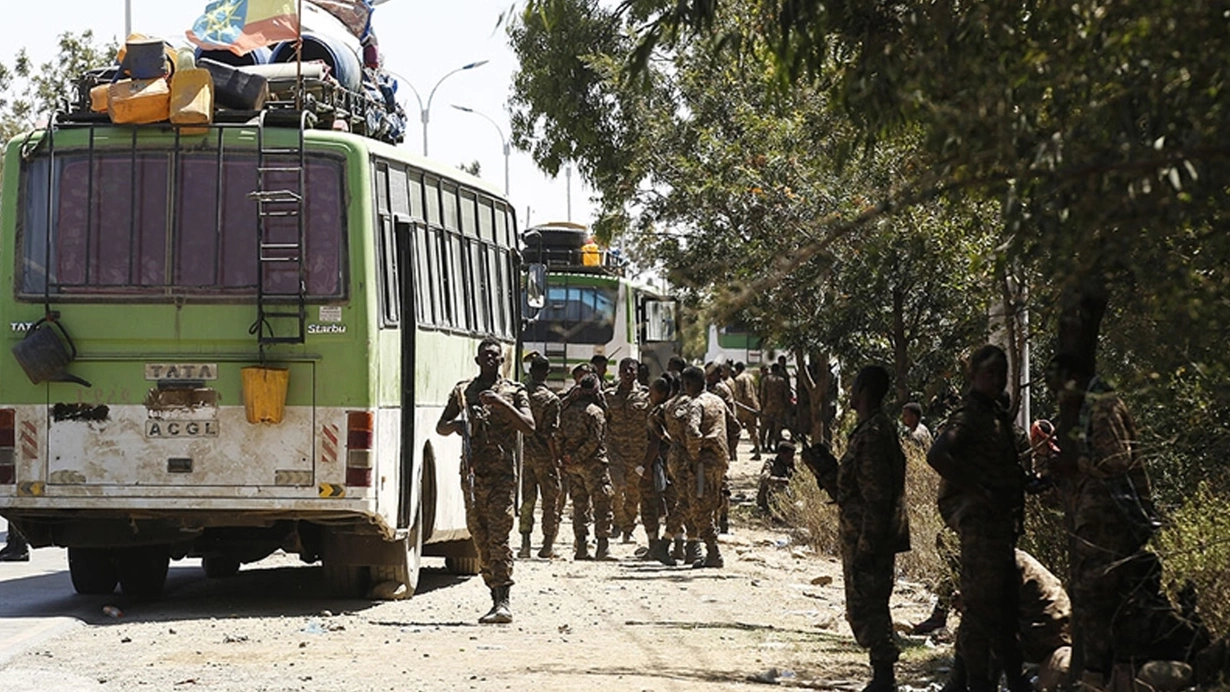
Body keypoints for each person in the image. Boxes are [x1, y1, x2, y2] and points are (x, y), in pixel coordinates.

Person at [1047, 353, 1208, 685]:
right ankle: (1108, 672)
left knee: (1099, 596)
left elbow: (1117, 459)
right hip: (1101, 524)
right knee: (1106, 603)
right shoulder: (1089, 405)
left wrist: (1076, 463)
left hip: (1112, 523)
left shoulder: (1101, 404)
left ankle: (1104, 673)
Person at [927, 345, 1029, 692]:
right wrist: (979, 490)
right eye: (989, 374)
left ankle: (982, 680)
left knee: (1001, 610)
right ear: (973, 377)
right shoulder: (970, 414)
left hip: (999, 526)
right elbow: (939, 454)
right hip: (981, 527)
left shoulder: (994, 413)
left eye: (1002, 374)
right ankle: (976, 682)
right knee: (982, 610)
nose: (997, 380)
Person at [802, 365, 910, 692]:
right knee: (863, 606)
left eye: (853, 386)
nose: (849, 391)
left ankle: (884, 678)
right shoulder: (867, 431)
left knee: (870, 606)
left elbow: (877, 497)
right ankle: (881, 675)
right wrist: (824, 469)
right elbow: (850, 490)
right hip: (861, 534)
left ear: (863, 390)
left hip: (869, 537)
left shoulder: (875, 434)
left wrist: (867, 545)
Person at [436, 337, 535, 624]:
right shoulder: (464, 391)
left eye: (495, 355)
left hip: (503, 476)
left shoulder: (514, 391)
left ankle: (504, 601)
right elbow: (441, 426)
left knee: (499, 537)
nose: (491, 359)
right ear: (478, 360)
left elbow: (529, 427)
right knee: (480, 538)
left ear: (502, 361)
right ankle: (493, 595)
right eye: (485, 355)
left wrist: (502, 406)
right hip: (472, 476)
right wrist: (458, 425)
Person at [680, 366, 737, 568]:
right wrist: (726, 450)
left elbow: (693, 432)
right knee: (712, 504)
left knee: (699, 508)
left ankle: (713, 552)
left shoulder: (695, 404)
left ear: (688, 384)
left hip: (703, 464)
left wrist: (694, 457)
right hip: (720, 462)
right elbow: (735, 427)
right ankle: (711, 550)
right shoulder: (717, 400)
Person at [558, 374, 616, 561]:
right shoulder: (595, 412)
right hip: (594, 466)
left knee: (579, 505)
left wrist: (567, 458)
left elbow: (558, 436)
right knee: (602, 505)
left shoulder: (566, 411)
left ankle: (581, 548)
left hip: (572, 467)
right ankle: (602, 548)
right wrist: (578, 457)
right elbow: (595, 441)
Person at [517, 354, 563, 559]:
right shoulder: (551, 400)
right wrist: (556, 459)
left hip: (525, 456)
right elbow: (550, 434)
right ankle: (547, 545)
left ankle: (525, 544)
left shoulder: (521, 395)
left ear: (530, 371)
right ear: (547, 373)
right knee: (549, 501)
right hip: (545, 457)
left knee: (527, 500)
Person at [606, 357, 651, 543]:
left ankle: (628, 529)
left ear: (637, 372)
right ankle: (617, 521)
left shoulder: (645, 396)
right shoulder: (609, 395)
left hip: (638, 453)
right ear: (619, 372)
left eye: (631, 370)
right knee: (616, 488)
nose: (627, 373)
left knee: (633, 492)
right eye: (624, 370)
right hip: (615, 451)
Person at [642, 377, 676, 564]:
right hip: (673, 464)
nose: (649, 395)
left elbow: (655, 442)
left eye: (652, 392)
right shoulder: (675, 410)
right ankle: (678, 546)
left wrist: (645, 466)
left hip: (658, 465)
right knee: (673, 504)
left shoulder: (657, 413)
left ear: (661, 394)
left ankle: (654, 546)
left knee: (649, 504)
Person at [756, 440, 796, 519]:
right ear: (781, 454)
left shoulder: (790, 465)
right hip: (768, 498)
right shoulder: (771, 463)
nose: (791, 459)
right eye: (788, 457)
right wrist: (779, 480)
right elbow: (764, 478)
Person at [732, 362, 762, 460]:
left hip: (743, 408)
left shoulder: (738, 379)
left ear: (737, 369)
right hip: (753, 406)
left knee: (736, 430)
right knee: (753, 429)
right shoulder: (751, 377)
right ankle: (758, 450)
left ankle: (733, 452)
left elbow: (738, 395)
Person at [760, 363, 792, 451]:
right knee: (776, 428)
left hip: (768, 406)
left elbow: (763, 394)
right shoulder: (782, 380)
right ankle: (774, 446)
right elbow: (786, 395)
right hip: (779, 408)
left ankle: (763, 446)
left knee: (764, 427)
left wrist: (762, 406)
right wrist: (787, 406)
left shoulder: (766, 379)